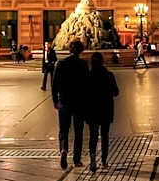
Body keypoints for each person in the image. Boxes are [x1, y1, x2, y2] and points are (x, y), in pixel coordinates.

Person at [51, 40, 89, 169]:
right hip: (79, 102)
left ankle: (63, 149)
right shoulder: (83, 64)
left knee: (63, 130)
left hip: (64, 101)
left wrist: (55, 100)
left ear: (69, 49)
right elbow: (86, 84)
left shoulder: (61, 64)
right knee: (78, 132)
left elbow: (54, 83)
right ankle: (77, 160)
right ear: (81, 51)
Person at [86, 52, 119, 172]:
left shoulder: (88, 76)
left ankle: (93, 158)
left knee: (93, 136)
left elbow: (84, 94)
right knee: (105, 136)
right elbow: (116, 92)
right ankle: (104, 161)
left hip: (92, 110)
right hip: (106, 109)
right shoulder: (109, 75)